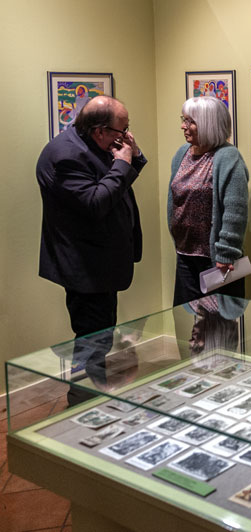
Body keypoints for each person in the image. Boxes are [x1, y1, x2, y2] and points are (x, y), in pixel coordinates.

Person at [36, 95, 145, 405]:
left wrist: (131, 157)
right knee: (91, 340)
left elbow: (114, 189)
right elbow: (96, 203)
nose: (125, 137)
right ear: (100, 131)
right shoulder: (66, 156)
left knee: (100, 337)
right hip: (86, 266)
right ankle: (83, 403)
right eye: (122, 131)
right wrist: (123, 163)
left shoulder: (89, 144)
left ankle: (94, 398)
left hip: (102, 262)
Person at [168, 96, 249, 307]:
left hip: (216, 260)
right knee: (186, 320)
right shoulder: (181, 154)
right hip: (185, 254)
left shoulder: (227, 157)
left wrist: (226, 252)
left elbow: (235, 211)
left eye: (190, 122)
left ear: (208, 124)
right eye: (183, 120)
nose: (183, 126)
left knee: (216, 331)